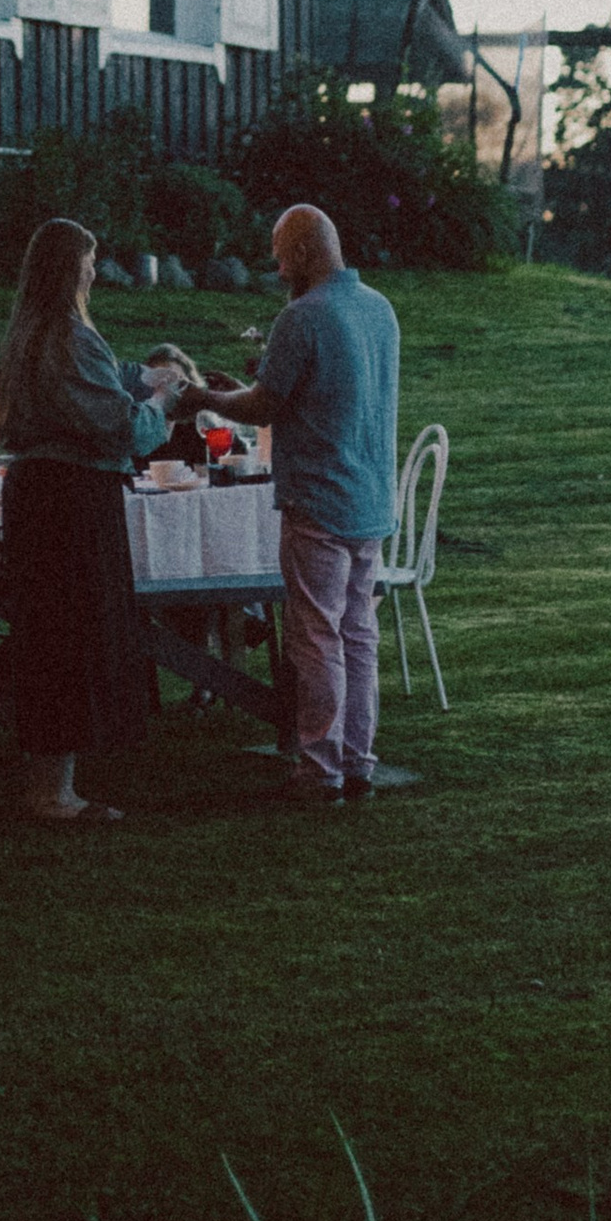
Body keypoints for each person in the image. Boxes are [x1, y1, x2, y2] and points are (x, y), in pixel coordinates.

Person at [0, 218, 169, 826]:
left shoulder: (24, 337)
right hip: (73, 499)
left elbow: (90, 391)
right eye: (90, 261)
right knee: (73, 636)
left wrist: (135, 379)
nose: (95, 271)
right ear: (72, 268)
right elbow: (118, 426)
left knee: (46, 634)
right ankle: (54, 793)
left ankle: (47, 778)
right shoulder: (70, 336)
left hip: (34, 494)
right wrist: (161, 405)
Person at [237, 205, 399, 804]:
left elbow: (263, 406)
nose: (277, 267)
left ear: (304, 252)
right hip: (370, 498)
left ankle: (319, 769)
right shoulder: (379, 309)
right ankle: (358, 762)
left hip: (320, 501)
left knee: (316, 637)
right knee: (358, 634)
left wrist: (202, 396)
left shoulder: (302, 317)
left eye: (281, 255)